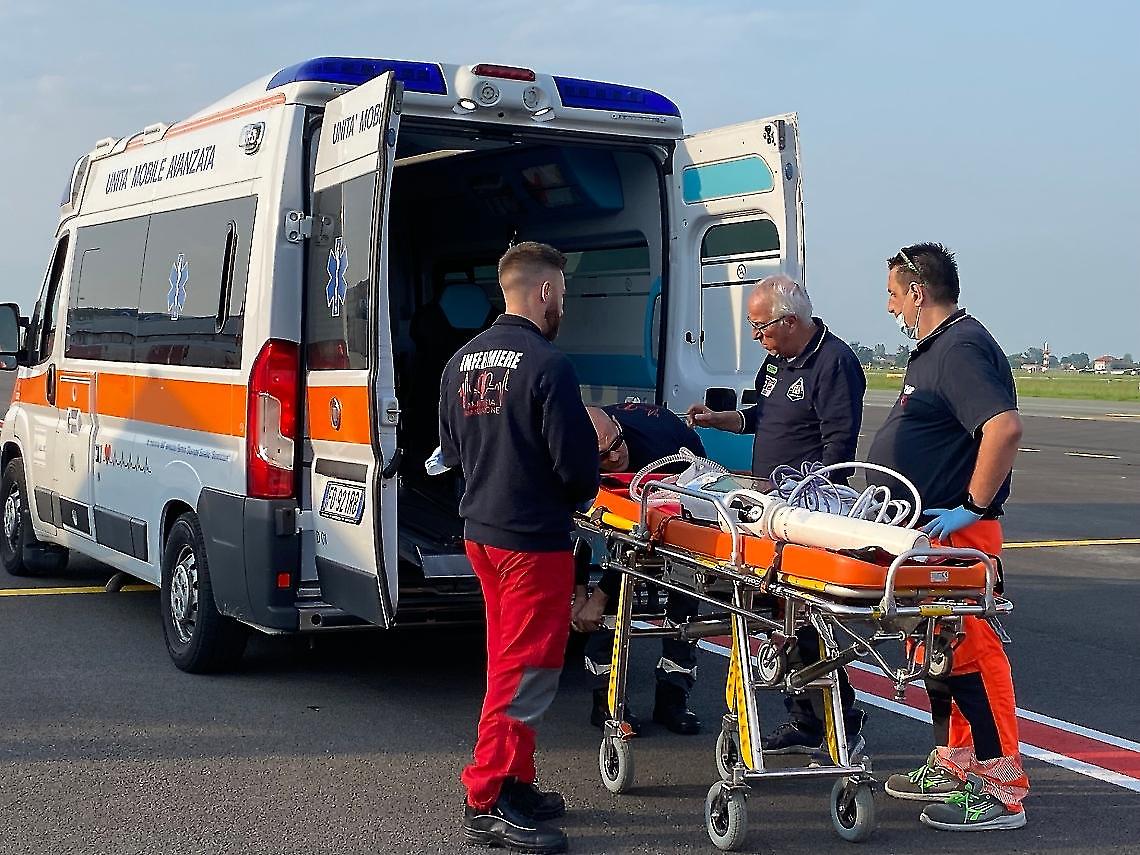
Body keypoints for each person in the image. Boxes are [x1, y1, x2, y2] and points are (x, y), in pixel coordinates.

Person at [439, 241, 599, 855]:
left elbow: (451, 452)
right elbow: (578, 471)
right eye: (562, 292)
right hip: (533, 540)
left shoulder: (461, 362)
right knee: (525, 670)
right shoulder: (548, 366)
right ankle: (488, 798)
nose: (564, 304)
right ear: (544, 292)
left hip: (481, 532)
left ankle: (516, 777)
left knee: (507, 661)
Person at [867, 243, 1028, 831]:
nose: (888, 306)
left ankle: (1000, 785)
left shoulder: (960, 347)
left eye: (892, 293)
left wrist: (969, 506)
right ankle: (959, 759)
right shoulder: (936, 349)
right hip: (927, 537)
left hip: (957, 537)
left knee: (973, 655)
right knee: (941, 652)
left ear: (917, 291)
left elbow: (1003, 428)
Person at [686, 274, 868, 760]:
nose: (754, 335)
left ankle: (842, 719)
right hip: (769, 510)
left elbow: (839, 452)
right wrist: (717, 419)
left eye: (760, 325)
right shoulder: (776, 362)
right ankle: (806, 718)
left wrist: (799, 498)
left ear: (790, 321)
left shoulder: (835, 363)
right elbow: (757, 418)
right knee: (774, 618)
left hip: (803, 512)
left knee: (808, 622)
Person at [572, 402, 707, 735]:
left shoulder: (668, 448)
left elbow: (643, 542)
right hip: (623, 509)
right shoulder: (572, 456)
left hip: (677, 500)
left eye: (616, 446)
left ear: (618, 426)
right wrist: (579, 595)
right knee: (608, 614)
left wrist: (597, 597)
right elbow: (577, 536)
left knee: (684, 600)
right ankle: (607, 701)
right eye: (603, 456)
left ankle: (673, 699)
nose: (615, 458)